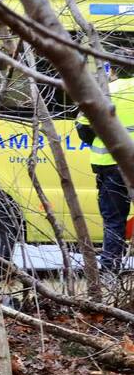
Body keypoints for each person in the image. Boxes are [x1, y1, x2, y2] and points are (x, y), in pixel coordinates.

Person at [76, 55, 134, 272]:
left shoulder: (104, 91)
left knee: (114, 222)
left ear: (114, 70)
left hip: (110, 167)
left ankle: (110, 274)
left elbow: (82, 127)